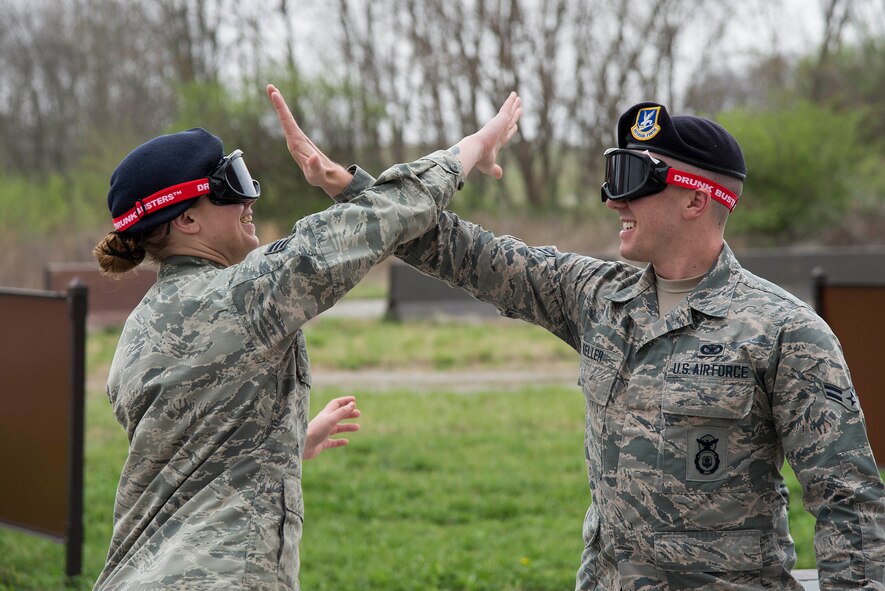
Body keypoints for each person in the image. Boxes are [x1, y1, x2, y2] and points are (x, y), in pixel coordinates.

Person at [279, 97, 885, 588]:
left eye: (633, 181)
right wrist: (355, 190)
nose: (613, 200)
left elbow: (850, 506)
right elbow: (467, 254)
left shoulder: (786, 332)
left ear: (698, 199)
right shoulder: (596, 295)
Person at [91, 85, 522, 590]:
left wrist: (284, 443)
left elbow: (190, 456)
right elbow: (386, 214)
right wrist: (476, 142)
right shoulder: (245, 296)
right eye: (230, 187)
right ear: (186, 219)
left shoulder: (139, 329)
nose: (250, 201)